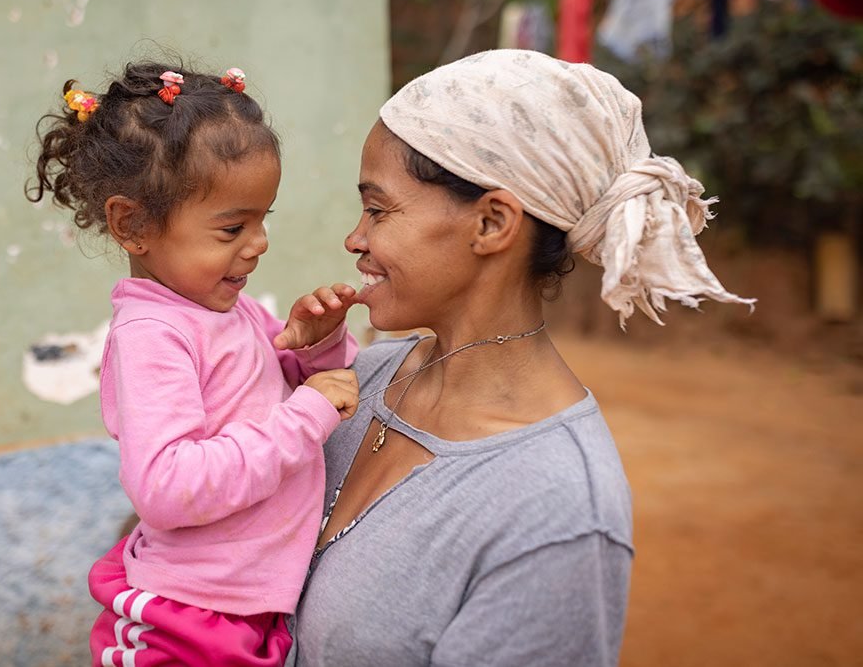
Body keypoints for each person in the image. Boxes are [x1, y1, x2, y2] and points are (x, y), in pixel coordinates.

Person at [287, 49, 755, 666]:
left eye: (379, 210)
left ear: (492, 223)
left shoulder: (555, 511)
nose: (356, 238)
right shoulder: (364, 377)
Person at [29, 60, 361, 667]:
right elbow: (167, 487)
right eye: (233, 226)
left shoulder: (232, 311)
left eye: (264, 218)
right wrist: (305, 417)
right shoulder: (152, 336)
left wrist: (316, 347)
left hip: (245, 603)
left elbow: (318, 391)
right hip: (187, 623)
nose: (258, 243)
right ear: (132, 225)